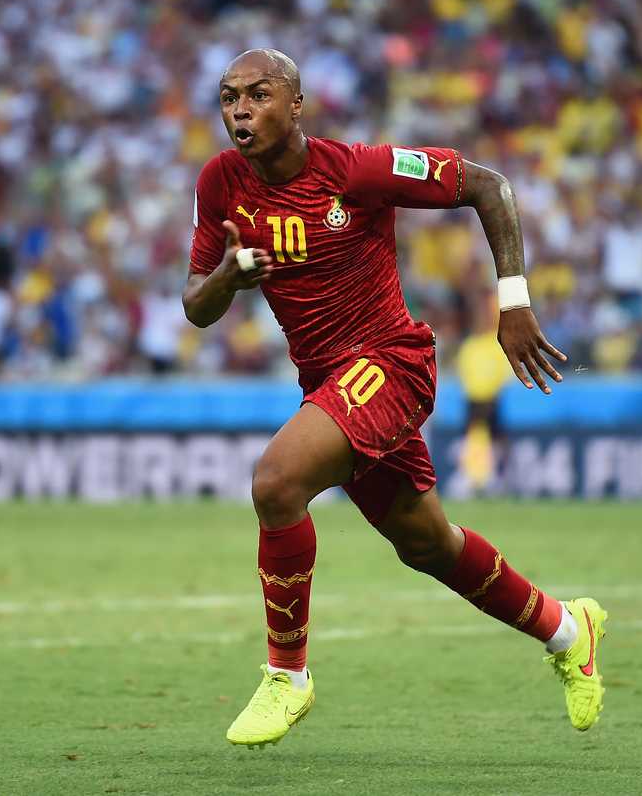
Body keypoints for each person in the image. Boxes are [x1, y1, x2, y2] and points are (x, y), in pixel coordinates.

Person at [183, 49, 606, 747]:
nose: (240, 111)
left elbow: (489, 185)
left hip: (391, 365)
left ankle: (287, 677)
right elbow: (197, 305)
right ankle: (568, 629)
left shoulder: (357, 171)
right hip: (330, 385)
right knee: (427, 544)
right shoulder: (220, 183)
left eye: (258, 95)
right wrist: (228, 275)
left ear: (297, 104)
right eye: (229, 98)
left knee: (277, 481)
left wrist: (515, 301)